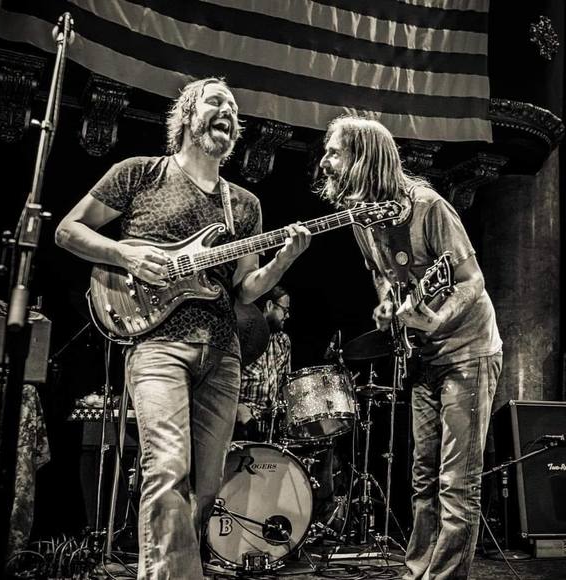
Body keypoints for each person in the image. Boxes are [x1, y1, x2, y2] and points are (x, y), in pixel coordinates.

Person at [55, 77, 311, 580]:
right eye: (216, 101)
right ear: (188, 115)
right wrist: (125, 253)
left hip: (223, 353)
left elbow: (246, 289)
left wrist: (284, 260)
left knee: (206, 487)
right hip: (157, 344)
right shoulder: (139, 173)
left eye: (234, 108)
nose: (228, 112)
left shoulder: (244, 204)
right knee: (168, 467)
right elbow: (68, 231)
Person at [318, 116, 502, 580]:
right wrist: (387, 304)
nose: (326, 162)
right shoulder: (362, 217)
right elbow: (380, 273)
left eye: (335, 152)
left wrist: (436, 319)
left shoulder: (429, 207)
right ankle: (418, 570)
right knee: (423, 479)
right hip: (422, 354)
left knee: (456, 483)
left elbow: (471, 281)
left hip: (468, 351)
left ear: (364, 158)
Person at [234, 285, 291, 442]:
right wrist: (238, 408)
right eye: (285, 310)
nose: (288, 315)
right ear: (269, 305)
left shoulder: (283, 341)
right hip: (241, 419)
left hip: (271, 421)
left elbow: (284, 386)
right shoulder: (241, 336)